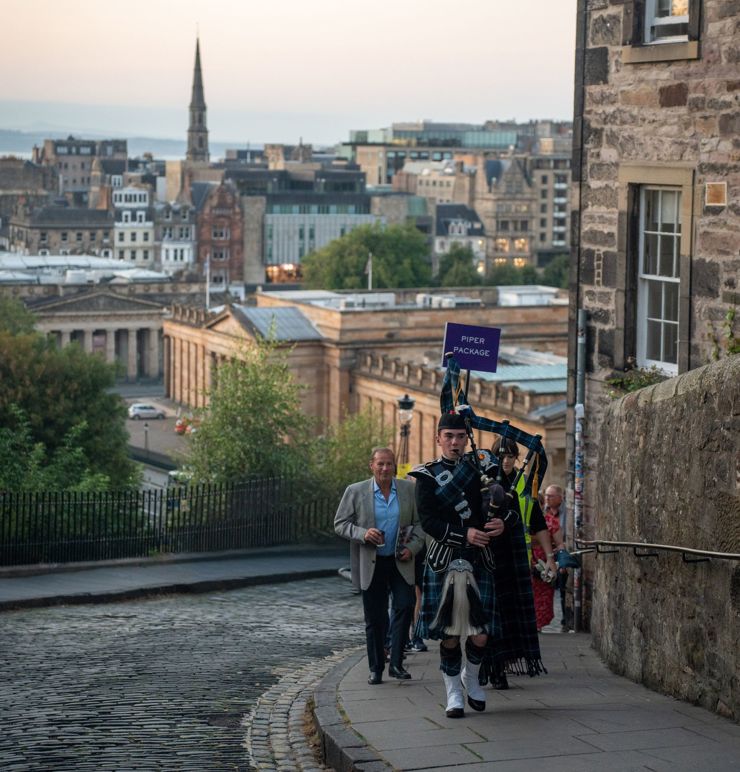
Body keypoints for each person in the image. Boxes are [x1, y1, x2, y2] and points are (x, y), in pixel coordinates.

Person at [409, 413, 544, 719]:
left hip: (479, 559)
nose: (455, 442)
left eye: (460, 436)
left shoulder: (484, 468)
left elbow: (510, 508)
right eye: (449, 436)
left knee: (481, 632)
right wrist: (464, 534)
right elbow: (428, 521)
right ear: (438, 439)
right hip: (444, 560)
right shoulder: (426, 476)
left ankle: (471, 678)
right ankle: (453, 692)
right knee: (450, 634)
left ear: (466, 438)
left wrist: (502, 522)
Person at [334, 447, 424, 685]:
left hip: (400, 560)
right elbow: (340, 523)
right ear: (371, 466)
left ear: (395, 466)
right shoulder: (355, 491)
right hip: (371, 562)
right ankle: (376, 668)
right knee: (375, 617)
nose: (385, 468)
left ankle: (396, 663)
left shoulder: (408, 490)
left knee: (405, 605)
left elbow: (420, 524)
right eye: (380, 464)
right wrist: (363, 534)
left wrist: (412, 548)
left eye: (389, 464)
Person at [479, 437, 558, 688]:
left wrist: (550, 558)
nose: (505, 461)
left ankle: (501, 663)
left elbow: (537, 523)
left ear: (516, 458)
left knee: (511, 616)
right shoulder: (484, 480)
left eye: (510, 456)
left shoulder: (523, 482)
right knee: (491, 615)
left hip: (517, 557)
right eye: (501, 456)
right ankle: (490, 666)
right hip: (489, 556)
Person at [541, 484, 568, 630]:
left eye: (550, 496)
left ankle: (565, 620)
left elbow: (564, 537)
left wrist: (563, 560)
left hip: (559, 553)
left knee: (562, 588)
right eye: (546, 495)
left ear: (560, 497)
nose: (547, 498)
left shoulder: (567, 512)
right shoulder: (542, 512)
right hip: (541, 556)